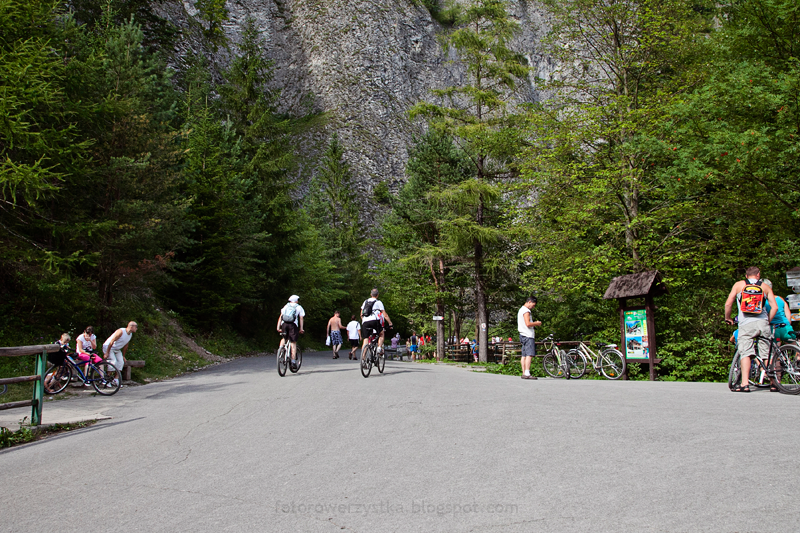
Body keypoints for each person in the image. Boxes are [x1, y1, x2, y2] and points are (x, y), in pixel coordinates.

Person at [724, 267, 778, 392]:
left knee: (746, 353)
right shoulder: (765, 287)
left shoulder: (739, 285)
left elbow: (728, 304)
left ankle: (744, 384)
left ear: (746, 275)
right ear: (758, 275)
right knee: (766, 354)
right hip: (762, 323)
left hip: (746, 324)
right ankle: (774, 383)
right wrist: (767, 321)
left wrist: (728, 318)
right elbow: (774, 307)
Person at [103, 322, 137, 387]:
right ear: (131, 326)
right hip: (109, 347)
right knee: (113, 362)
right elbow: (112, 341)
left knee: (121, 362)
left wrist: (123, 356)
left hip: (117, 349)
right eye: (136, 327)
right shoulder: (121, 331)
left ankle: (115, 379)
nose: (136, 328)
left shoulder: (130, 334)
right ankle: (107, 380)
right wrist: (107, 352)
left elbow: (126, 345)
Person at [360, 288, 393, 357]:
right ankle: (379, 348)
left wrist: (364, 321)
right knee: (381, 334)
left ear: (370, 294)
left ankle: (363, 359)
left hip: (365, 322)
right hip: (374, 321)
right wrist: (390, 323)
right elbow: (385, 315)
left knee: (365, 339)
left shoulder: (365, 302)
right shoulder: (378, 302)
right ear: (377, 295)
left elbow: (361, 314)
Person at [762, 279, 796, 345]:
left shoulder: (763, 302)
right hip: (785, 326)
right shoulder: (780, 299)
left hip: (773, 329)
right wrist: (788, 324)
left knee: (775, 349)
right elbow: (788, 315)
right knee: (794, 347)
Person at [277, 295, 305, 369]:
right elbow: (301, 318)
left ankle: (280, 350)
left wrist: (278, 327)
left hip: (284, 324)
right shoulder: (298, 307)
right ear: (296, 300)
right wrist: (301, 329)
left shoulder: (286, 306)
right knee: (293, 342)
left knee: (284, 338)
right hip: (293, 325)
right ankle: (293, 362)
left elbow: (281, 316)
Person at [518, 296, 541, 380]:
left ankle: (524, 372)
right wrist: (536, 323)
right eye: (533, 305)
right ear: (529, 302)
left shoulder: (521, 309)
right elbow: (528, 324)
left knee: (524, 355)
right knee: (529, 354)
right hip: (528, 335)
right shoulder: (526, 311)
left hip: (522, 334)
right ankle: (527, 372)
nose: (533, 307)